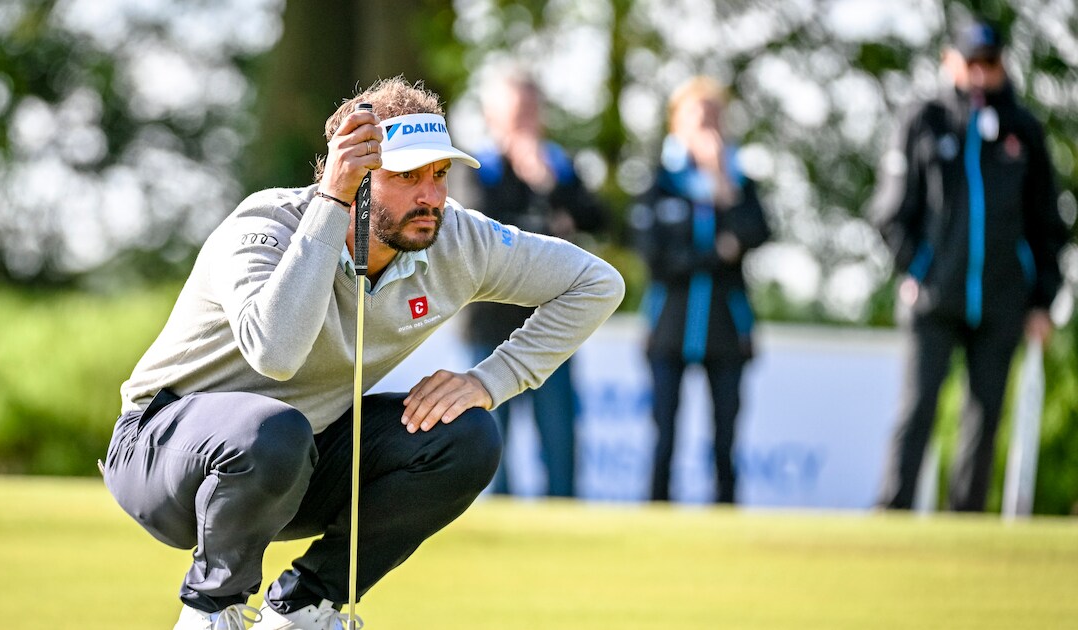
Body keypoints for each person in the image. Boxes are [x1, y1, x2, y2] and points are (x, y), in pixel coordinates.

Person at [102, 76, 625, 629]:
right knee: (274, 430)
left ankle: (303, 607)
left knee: (467, 435)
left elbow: (596, 283)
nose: (431, 197)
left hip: (293, 459)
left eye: (439, 174)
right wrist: (333, 204)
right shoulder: (266, 224)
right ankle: (211, 609)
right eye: (407, 176)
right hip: (162, 456)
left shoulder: (456, 238)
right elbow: (275, 353)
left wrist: (490, 381)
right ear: (351, 174)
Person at [869, 20, 1069, 512]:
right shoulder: (924, 120)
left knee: (984, 417)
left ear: (1002, 64)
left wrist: (1042, 299)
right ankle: (892, 513)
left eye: (990, 63)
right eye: (971, 62)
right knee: (918, 407)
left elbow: (1047, 224)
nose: (980, 73)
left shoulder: (1024, 129)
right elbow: (891, 211)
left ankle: (965, 521)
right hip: (933, 295)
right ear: (950, 61)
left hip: (1002, 299)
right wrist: (915, 269)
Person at [456, 70, 609, 498]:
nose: (525, 120)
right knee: (490, 439)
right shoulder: (477, 166)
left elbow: (599, 218)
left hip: (551, 324)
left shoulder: (559, 167)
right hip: (489, 324)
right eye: (517, 111)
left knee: (559, 440)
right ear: (493, 115)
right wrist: (548, 224)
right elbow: (477, 227)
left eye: (531, 110)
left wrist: (547, 185)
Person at [630, 76, 771, 505]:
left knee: (726, 436)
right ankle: (657, 510)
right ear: (677, 123)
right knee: (664, 434)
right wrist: (717, 253)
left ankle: (726, 510)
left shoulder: (739, 183)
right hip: (667, 327)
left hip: (728, 326)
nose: (707, 126)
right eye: (697, 117)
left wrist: (724, 186)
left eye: (714, 117)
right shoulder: (659, 182)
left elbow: (758, 232)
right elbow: (656, 257)